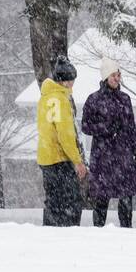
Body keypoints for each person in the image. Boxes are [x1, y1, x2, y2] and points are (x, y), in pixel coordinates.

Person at [81, 59, 136, 227]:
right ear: (106, 77)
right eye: (114, 75)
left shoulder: (125, 99)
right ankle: (98, 232)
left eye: (119, 75)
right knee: (101, 199)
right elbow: (85, 126)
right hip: (103, 157)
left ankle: (127, 230)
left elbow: (132, 127)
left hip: (124, 155)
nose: (117, 78)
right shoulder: (94, 100)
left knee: (126, 199)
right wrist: (106, 128)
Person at [37, 56, 87, 227]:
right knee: (71, 202)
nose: (72, 84)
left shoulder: (45, 98)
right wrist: (77, 161)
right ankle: (70, 234)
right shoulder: (61, 100)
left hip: (45, 157)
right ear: (64, 81)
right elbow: (65, 135)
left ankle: (50, 233)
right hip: (60, 158)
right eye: (71, 80)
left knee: (53, 202)